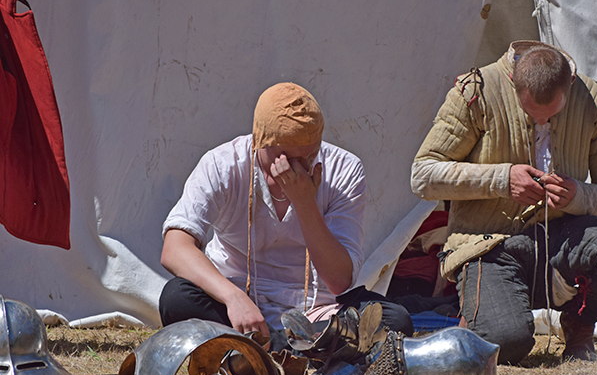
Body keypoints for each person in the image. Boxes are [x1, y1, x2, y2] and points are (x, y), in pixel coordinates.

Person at [411, 41, 597, 364]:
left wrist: (577, 195)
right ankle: (482, 313)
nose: (542, 123)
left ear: (569, 85)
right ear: (513, 83)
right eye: (530, 113)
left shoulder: (595, 102)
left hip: (560, 241)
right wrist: (502, 179)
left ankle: (579, 321)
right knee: (504, 345)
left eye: (552, 115)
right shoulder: (477, 92)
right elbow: (423, 175)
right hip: (489, 245)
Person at [159, 82, 413, 350]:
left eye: (308, 157)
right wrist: (233, 297)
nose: (298, 169)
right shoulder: (223, 164)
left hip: (319, 311)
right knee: (176, 298)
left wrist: (304, 203)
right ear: (259, 142)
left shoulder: (344, 169)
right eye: (285, 158)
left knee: (395, 319)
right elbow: (175, 248)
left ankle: (260, 349)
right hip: (238, 306)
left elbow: (339, 281)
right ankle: (294, 350)